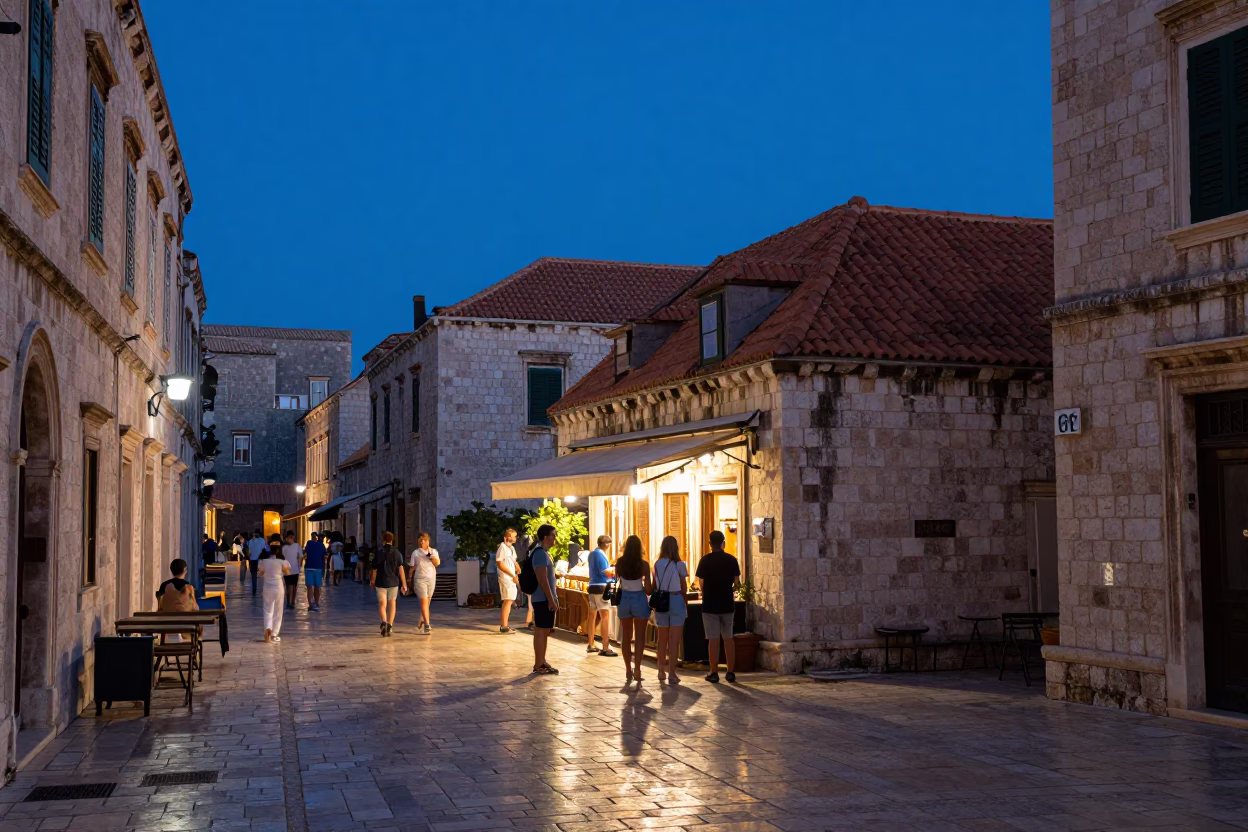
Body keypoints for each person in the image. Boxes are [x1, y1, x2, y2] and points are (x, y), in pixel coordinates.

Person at [696, 530, 741, 683]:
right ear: (723, 543)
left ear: (710, 544)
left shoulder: (704, 560)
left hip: (710, 604)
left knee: (713, 640)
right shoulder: (731, 560)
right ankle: (730, 672)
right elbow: (737, 582)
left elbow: (700, 583)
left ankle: (714, 672)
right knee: (728, 638)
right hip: (727, 603)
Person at [614, 535, 653, 685]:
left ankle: (628, 669)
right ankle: (637, 669)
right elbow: (648, 590)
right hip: (639, 599)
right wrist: (644, 587)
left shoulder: (620, 563)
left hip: (624, 600)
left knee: (626, 636)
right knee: (640, 637)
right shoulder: (644, 565)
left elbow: (618, 580)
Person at [652, 535, 689, 685]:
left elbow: (655, 585)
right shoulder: (680, 565)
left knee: (662, 639)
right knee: (674, 641)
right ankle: (672, 673)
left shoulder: (656, 564)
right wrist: (685, 604)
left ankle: (660, 670)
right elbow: (683, 587)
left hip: (662, 602)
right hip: (676, 600)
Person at [529, 524, 561, 674]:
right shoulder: (540, 553)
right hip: (542, 599)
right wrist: (551, 599)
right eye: (553, 535)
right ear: (545, 537)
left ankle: (542, 660)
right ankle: (538, 664)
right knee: (541, 630)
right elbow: (542, 579)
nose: (555, 538)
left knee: (545, 630)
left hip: (545, 598)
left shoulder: (544, 553)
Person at [585, 535, 618, 657]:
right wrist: (614, 571)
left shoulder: (591, 554)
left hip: (592, 585)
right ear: (606, 544)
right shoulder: (601, 555)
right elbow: (606, 572)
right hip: (601, 586)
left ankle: (591, 643)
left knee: (592, 615)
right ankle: (605, 646)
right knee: (605, 615)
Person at [371, 531, 407, 636]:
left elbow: (374, 568)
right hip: (393, 582)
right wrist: (404, 584)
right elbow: (401, 569)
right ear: (392, 540)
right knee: (392, 603)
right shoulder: (397, 553)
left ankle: (384, 622)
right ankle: (390, 625)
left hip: (381, 581)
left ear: (383, 540)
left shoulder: (379, 552)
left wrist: (372, 580)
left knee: (382, 604)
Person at [258, 534, 290, 643]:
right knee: (278, 611)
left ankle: (268, 627)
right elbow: (287, 572)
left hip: (267, 587)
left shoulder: (264, 561)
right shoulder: (282, 561)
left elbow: (260, 573)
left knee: (267, 610)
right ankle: (274, 634)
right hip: (278, 586)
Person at [409, 532, 440, 634]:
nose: (422, 541)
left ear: (428, 541)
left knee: (428, 601)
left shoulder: (433, 551)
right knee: (424, 601)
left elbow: (437, 563)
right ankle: (427, 625)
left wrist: (431, 557)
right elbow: (412, 567)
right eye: (420, 540)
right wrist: (408, 579)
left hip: (431, 579)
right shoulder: (415, 553)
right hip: (420, 579)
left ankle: (422, 618)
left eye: (424, 540)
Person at [495, 528, 520, 633]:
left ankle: (505, 625)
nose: (516, 538)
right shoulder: (502, 547)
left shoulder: (511, 548)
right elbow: (499, 564)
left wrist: (517, 568)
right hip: (506, 577)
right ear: (509, 537)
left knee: (510, 600)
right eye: (514, 536)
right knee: (508, 600)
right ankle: (504, 626)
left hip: (512, 577)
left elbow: (513, 560)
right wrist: (511, 574)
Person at [302, 532, 327, 611]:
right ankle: (316, 603)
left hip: (309, 566)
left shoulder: (308, 544)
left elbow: (305, 554)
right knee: (317, 586)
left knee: (310, 586)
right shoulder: (321, 545)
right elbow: (325, 555)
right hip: (318, 567)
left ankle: (311, 604)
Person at [282, 531, 303, 610]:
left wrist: (299, 566)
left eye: (291, 537)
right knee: (289, 586)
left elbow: (300, 557)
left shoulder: (297, 546)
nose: (290, 539)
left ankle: (291, 602)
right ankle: (289, 602)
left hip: (294, 569)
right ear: (287, 538)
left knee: (293, 586)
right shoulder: (284, 547)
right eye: (289, 537)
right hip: (288, 569)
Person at [246, 530, 266, 595]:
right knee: (262, 575)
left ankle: (254, 588)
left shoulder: (250, 542)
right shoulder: (262, 541)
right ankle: (262, 589)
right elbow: (264, 549)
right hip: (260, 560)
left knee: (253, 576)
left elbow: (249, 552)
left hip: (252, 560)